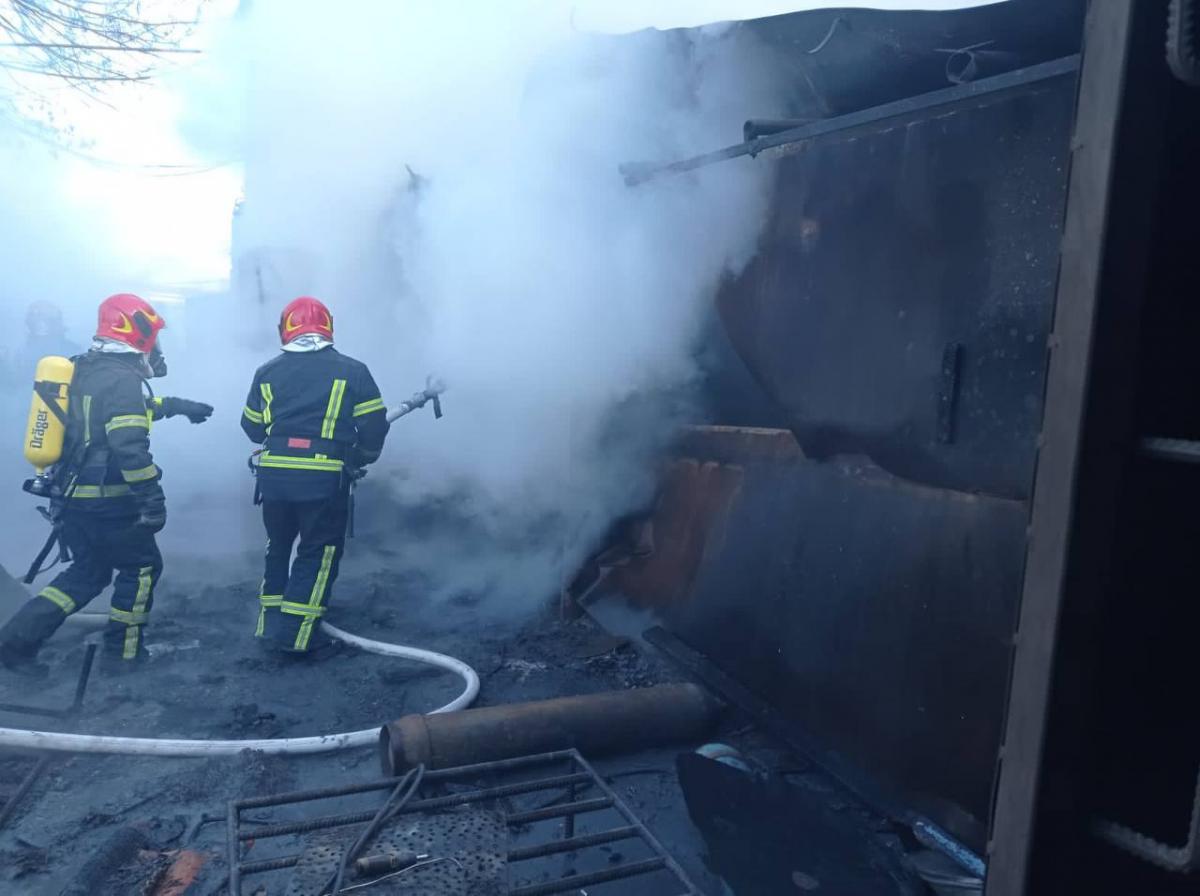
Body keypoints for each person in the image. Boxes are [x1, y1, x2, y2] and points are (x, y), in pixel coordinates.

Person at [0, 294, 214, 676]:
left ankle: (15, 644)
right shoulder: (123, 379)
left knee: (88, 573)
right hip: (109, 503)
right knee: (142, 568)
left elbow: (108, 417)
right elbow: (128, 445)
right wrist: (152, 501)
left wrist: (177, 406)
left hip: (72, 499)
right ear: (139, 333)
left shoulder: (83, 367)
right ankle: (123, 657)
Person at [240, 296, 390, 654]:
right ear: (329, 327)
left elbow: (252, 428)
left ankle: (268, 626)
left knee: (278, 547)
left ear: (285, 329)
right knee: (317, 553)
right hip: (322, 479)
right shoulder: (354, 371)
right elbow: (374, 426)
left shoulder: (267, 372)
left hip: (274, 478)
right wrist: (361, 457)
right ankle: (296, 638)